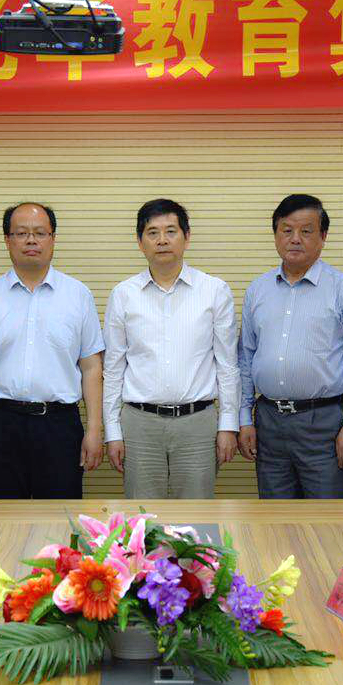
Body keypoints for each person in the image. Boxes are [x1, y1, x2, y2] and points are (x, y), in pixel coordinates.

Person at [0, 203, 105, 498]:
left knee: (60, 518)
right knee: (0, 518)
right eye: (21, 233)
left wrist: (94, 429)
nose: (31, 240)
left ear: (53, 238)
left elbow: (91, 368)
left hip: (59, 426)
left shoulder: (78, 295)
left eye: (40, 233)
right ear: (7, 240)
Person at [237, 194, 343, 498]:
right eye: (287, 230)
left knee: (332, 519)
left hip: (326, 424)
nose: (295, 239)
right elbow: (246, 360)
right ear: (275, 235)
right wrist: (244, 419)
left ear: (323, 236)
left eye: (306, 231)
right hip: (269, 423)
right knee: (276, 519)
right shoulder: (257, 291)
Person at [103, 198, 240, 498]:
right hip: (139, 424)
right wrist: (112, 431)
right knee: (142, 518)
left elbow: (227, 364)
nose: (162, 240)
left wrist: (228, 426)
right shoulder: (123, 294)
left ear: (186, 237)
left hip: (198, 423)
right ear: (140, 242)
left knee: (196, 517)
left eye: (170, 231)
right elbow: (113, 369)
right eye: (152, 232)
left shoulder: (214, 290)